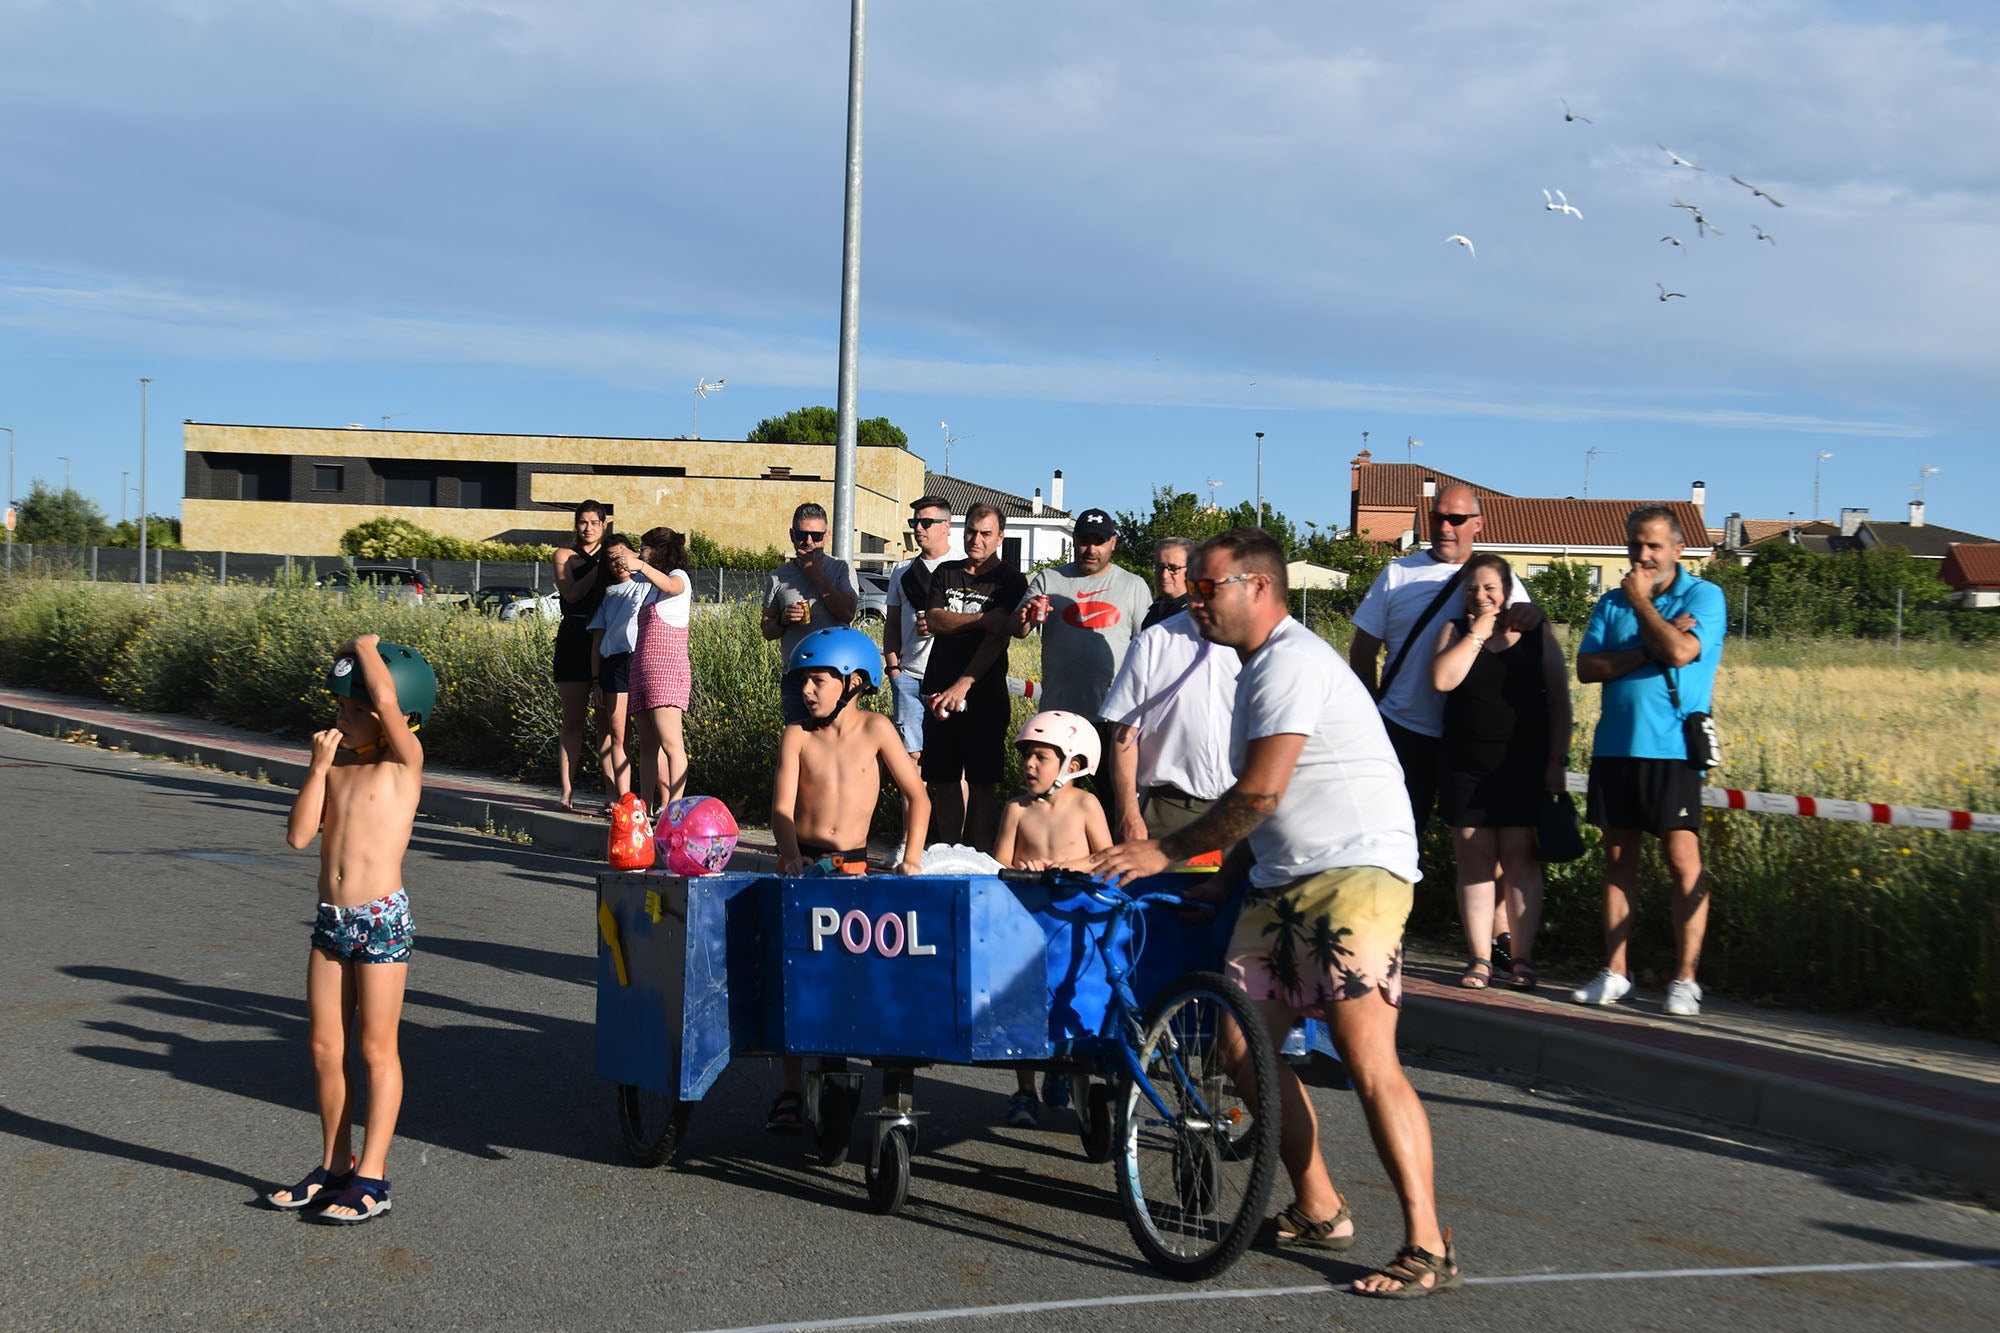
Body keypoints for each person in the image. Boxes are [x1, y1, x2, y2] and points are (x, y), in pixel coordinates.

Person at [1090, 529, 1463, 1300]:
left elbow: (1256, 793)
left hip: (1355, 870)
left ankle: (1428, 1243)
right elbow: (1263, 809)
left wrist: (1163, 853)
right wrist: (1224, 882)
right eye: (1190, 586)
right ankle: (1320, 1205)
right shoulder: (1250, 667)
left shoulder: (1291, 660)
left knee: (1367, 1061)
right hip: (1279, 875)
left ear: (1258, 589)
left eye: (1207, 586)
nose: (1193, 599)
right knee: (1240, 1047)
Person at [269, 635, 435, 1226]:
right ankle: (335, 1166)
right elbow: (297, 836)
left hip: (381, 919)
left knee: (374, 1049)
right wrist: (316, 767)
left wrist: (365, 646)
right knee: (323, 1048)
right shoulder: (336, 766)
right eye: (340, 707)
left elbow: (388, 701)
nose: (341, 717)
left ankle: (373, 1177)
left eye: (353, 710)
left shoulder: (403, 762)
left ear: (398, 719)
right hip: (331, 921)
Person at [1350, 482, 1538, 972]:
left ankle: (1496, 941)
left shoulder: (1501, 579)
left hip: (1471, 737)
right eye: (1439, 517)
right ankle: (1388, 935)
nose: (1447, 527)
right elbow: (1363, 647)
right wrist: (1370, 709)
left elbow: (1531, 647)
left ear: (1479, 523)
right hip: (1404, 730)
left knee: (1486, 849)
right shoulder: (1398, 574)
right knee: (1393, 840)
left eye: (1457, 518)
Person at [766, 627, 929, 1131]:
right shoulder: (797, 735)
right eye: (803, 682)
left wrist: (913, 857)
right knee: (792, 975)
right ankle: (790, 1090)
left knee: (853, 976)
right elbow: (780, 809)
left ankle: (852, 1061)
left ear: (854, 682)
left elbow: (918, 796)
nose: (807, 691)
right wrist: (791, 855)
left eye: (818, 680)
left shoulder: (878, 729)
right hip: (801, 868)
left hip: (854, 869)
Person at [1572, 505, 1726, 1018]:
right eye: (1635, 545)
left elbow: (1683, 653)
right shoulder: (1611, 602)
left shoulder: (1704, 596)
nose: (1643, 555)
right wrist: (1648, 642)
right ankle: (1616, 972)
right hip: (1616, 745)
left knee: (1683, 863)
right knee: (1618, 862)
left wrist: (1644, 609)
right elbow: (1588, 667)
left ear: (1678, 549)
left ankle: (1686, 978)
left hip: (1673, 751)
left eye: (1654, 546)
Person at [1429, 552, 1571, 991]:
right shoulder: (1453, 632)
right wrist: (1476, 634)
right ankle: (1480, 958)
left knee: (1519, 863)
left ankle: (1522, 959)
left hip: (1522, 766)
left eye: (1490, 587)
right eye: (1472, 588)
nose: (1481, 595)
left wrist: (1556, 762)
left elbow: (1559, 702)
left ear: (1508, 592)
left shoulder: (1535, 633)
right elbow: (1442, 681)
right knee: (1474, 864)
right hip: (1465, 768)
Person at [993, 710, 1113, 1128]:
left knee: (1073, 998)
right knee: (1022, 1004)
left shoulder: (1086, 803)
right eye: (1026, 755)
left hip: (1074, 920)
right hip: (1028, 920)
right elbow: (998, 864)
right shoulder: (1016, 809)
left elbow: (1104, 858)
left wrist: (1064, 867)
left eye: (1040, 757)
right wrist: (1023, 867)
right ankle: (1024, 1090)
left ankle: (1066, 1069)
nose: (1029, 765)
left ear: (1073, 765)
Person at [921, 504, 1028, 851]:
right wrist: (981, 619)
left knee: (983, 784)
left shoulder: (1010, 581)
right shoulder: (946, 572)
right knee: (944, 780)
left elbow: (999, 637)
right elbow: (935, 620)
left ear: (1000, 537)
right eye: (970, 531)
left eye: (985, 533)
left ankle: (982, 860)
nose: (976, 539)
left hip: (985, 698)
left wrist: (964, 684)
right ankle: (950, 853)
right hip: (938, 691)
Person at [1098, 605, 1241, 846]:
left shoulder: (1260, 644)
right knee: (1165, 885)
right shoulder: (1153, 643)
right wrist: (1128, 812)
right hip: (1172, 811)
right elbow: (1124, 735)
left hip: (1242, 807)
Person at [1011, 506, 1151, 725]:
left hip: (1112, 718)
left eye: (1099, 542)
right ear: (1074, 540)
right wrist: (1024, 616)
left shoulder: (1134, 586)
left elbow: (1147, 651)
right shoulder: (1048, 579)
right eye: (1085, 541)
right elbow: (1017, 631)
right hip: (1056, 715)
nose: (1091, 550)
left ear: (1113, 542)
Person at [762, 502, 858, 724]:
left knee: (835, 744)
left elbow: (847, 613)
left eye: (816, 536)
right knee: (799, 741)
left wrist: (816, 574)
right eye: (802, 535)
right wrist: (783, 620)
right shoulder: (778, 576)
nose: (809, 542)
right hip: (795, 675)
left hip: (835, 673)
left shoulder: (841, 569)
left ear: (826, 536)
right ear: (792, 535)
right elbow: (767, 630)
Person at [624, 527, 693, 813]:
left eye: (644, 548)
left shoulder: (679, 578)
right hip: (643, 669)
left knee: (671, 744)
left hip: (666, 670)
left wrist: (639, 565)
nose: (640, 553)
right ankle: (646, 806)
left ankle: (674, 809)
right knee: (648, 745)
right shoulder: (650, 588)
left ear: (657, 550)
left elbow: (671, 586)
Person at [883, 495, 955, 763]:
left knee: (951, 760)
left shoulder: (962, 566)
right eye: (915, 521)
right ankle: (915, 807)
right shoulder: (902, 571)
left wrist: (941, 624)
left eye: (926, 522)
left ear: (946, 526)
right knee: (910, 759)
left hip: (949, 679)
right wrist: (894, 669)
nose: (918, 528)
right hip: (908, 677)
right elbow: (891, 623)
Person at [552, 500, 609, 812]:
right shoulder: (564, 556)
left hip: (604, 640)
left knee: (606, 723)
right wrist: (600, 570)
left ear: (603, 525)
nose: (587, 528)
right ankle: (566, 792)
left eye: (593, 523)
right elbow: (571, 594)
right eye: (582, 522)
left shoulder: (612, 554)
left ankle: (610, 795)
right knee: (572, 720)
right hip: (574, 638)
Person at [586, 533, 646, 809]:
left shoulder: (646, 584)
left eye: (621, 555)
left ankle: (650, 798)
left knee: (649, 734)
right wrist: (596, 679)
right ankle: (620, 797)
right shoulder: (607, 595)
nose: (617, 563)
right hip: (614, 663)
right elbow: (598, 641)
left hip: (642, 659)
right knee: (618, 732)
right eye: (611, 560)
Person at [1140, 536, 1193, 630]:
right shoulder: (1154, 610)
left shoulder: (1194, 615)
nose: (1164, 575)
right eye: (1160, 567)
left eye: (1173, 568)